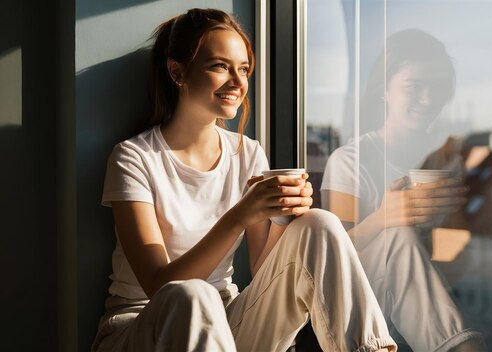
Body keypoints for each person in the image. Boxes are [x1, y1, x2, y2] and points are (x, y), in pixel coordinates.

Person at [91, 8, 396, 352]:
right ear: (178, 71)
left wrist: (284, 215)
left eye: (244, 69)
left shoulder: (247, 153)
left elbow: (265, 267)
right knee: (192, 294)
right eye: (220, 66)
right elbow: (158, 285)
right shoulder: (134, 158)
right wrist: (240, 215)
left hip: (228, 324)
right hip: (145, 328)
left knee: (319, 224)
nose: (238, 82)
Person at [321, 29, 484, 351]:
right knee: (397, 234)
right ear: (385, 90)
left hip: (419, 314)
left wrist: (449, 215)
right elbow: (326, 262)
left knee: (403, 236)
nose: (427, 99)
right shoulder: (350, 161)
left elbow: (458, 266)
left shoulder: (444, 164)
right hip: (356, 312)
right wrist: (384, 218)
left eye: (437, 87)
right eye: (414, 86)